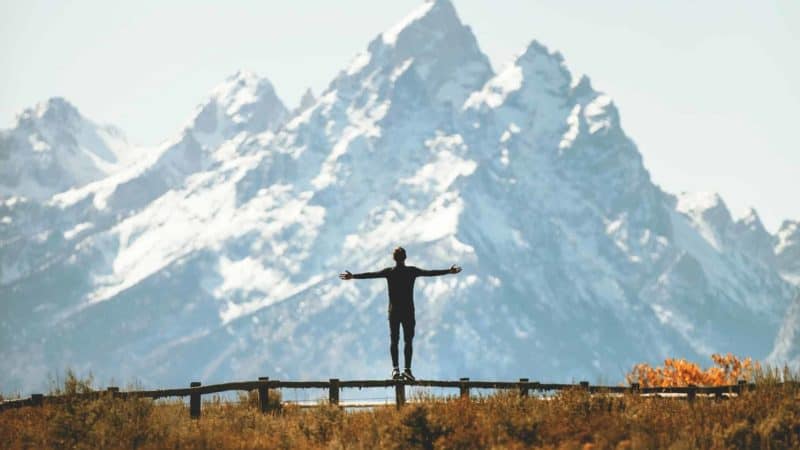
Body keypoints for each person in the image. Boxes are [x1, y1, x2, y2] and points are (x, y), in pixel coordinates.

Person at [339, 246, 462, 381]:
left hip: (394, 312)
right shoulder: (411, 271)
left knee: (394, 340)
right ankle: (407, 370)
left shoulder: (390, 272)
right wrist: (449, 271)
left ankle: (395, 370)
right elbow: (430, 273)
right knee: (408, 341)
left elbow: (371, 274)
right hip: (408, 311)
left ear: (394, 258)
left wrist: (353, 276)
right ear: (405, 258)